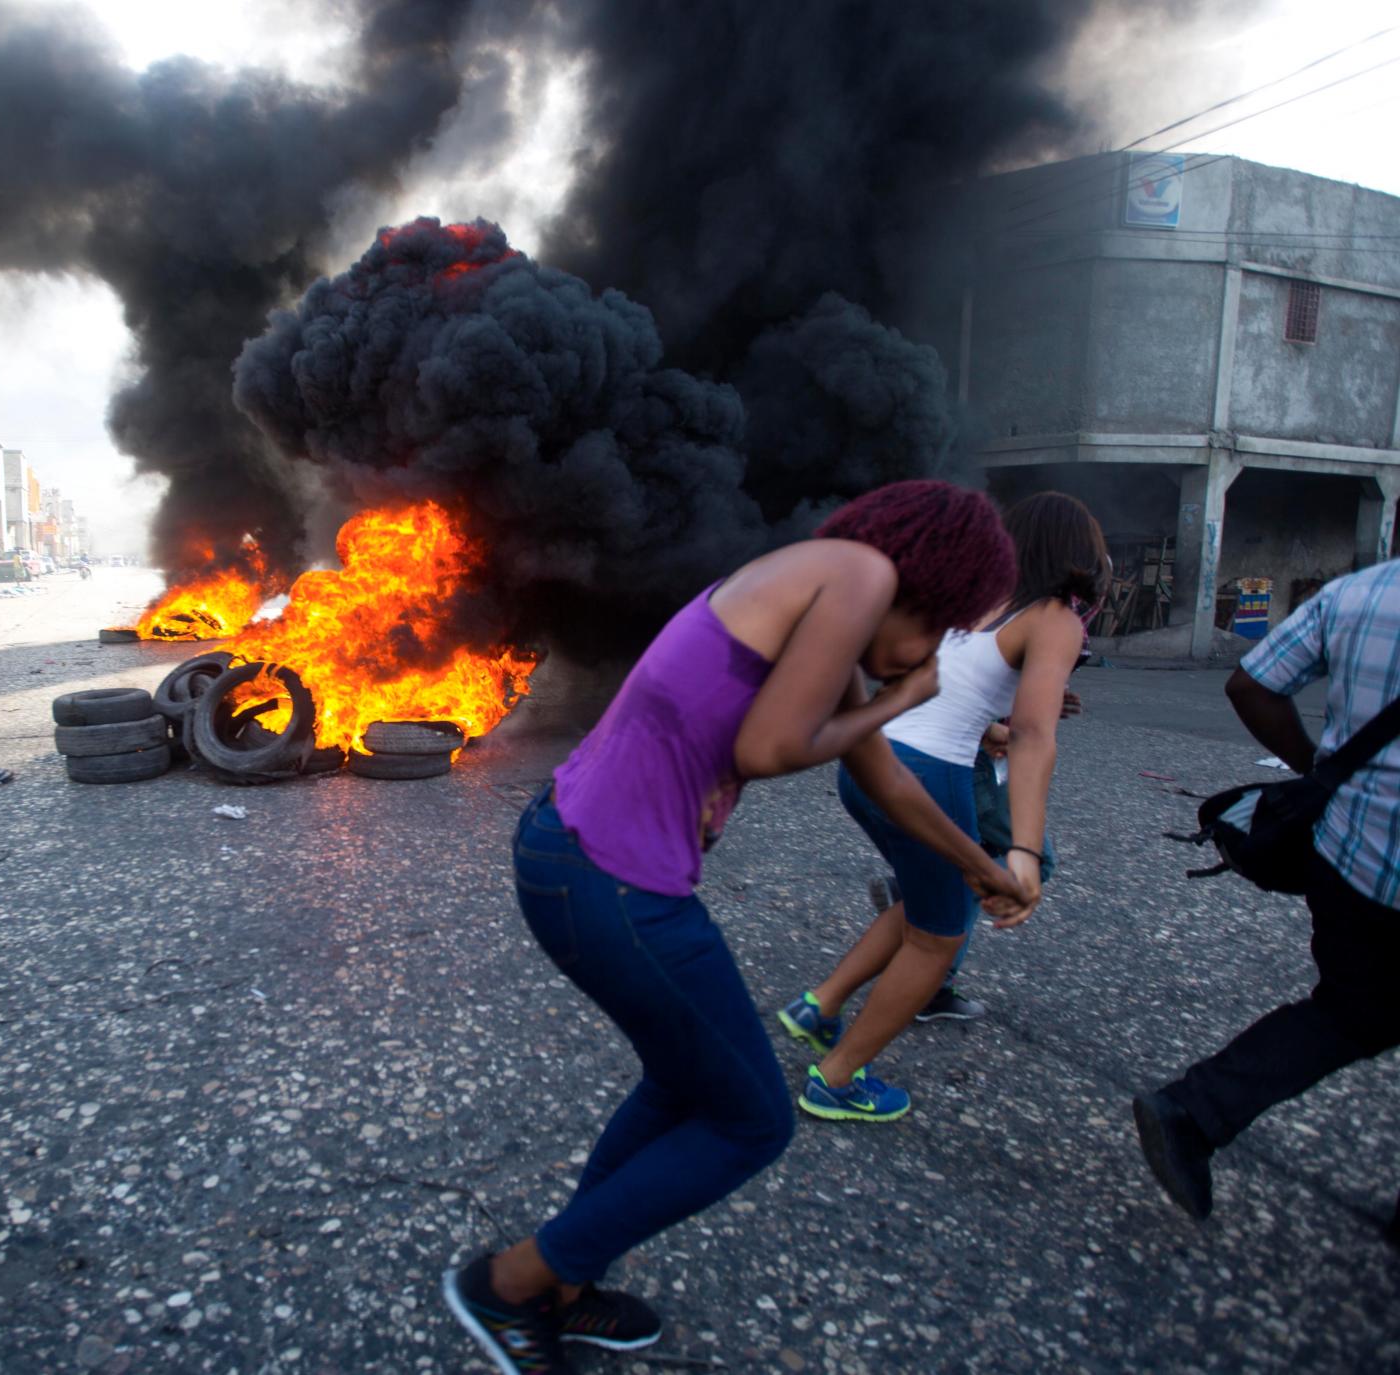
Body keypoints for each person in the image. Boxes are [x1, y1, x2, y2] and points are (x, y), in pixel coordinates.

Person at [442, 480, 1035, 1374]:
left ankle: (564, 1279)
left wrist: (983, 866)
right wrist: (901, 694)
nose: (939, 655)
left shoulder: (819, 586)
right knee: (755, 1120)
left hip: (577, 857)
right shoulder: (861, 575)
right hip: (612, 881)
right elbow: (768, 748)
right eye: (947, 631)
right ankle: (516, 1280)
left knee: (688, 1084)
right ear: (931, 587)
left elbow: (890, 783)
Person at [776, 492, 1105, 1122]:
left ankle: (818, 1007)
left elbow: (948, 695)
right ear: (1077, 555)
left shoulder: (973, 600)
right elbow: (1037, 737)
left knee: (927, 905)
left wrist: (996, 731)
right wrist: (1024, 854)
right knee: (940, 935)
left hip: (870, 759)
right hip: (927, 776)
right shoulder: (1056, 617)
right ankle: (836, 1080)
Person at [1134, 559, 1400, 1237]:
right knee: (1356, 1012)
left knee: (1349, 1009)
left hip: (1352, 858)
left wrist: (1322, 770)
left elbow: (1251, 683)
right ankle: (1194, 1110)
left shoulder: (1358, 592)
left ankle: (1196, 1109)